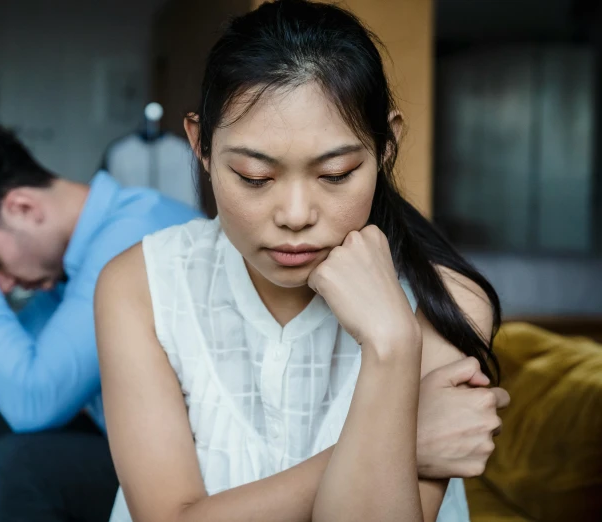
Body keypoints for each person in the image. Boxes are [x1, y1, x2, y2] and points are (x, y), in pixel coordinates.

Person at [95, 2, 510, 522]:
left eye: (335, 173)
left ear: (386, 146)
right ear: (200, 145)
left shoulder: (447, 302)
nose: (295, 215)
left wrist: (391, 342)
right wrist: (406, 441)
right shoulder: (142, 285)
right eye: (254, 176)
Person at [0, 124, 200, 522]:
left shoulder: (133, 233)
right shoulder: (57, 266)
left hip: (187, 466)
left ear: (23, 208)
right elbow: (7, 375)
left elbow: (33, 400)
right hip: (126, 435)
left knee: (19, 469)